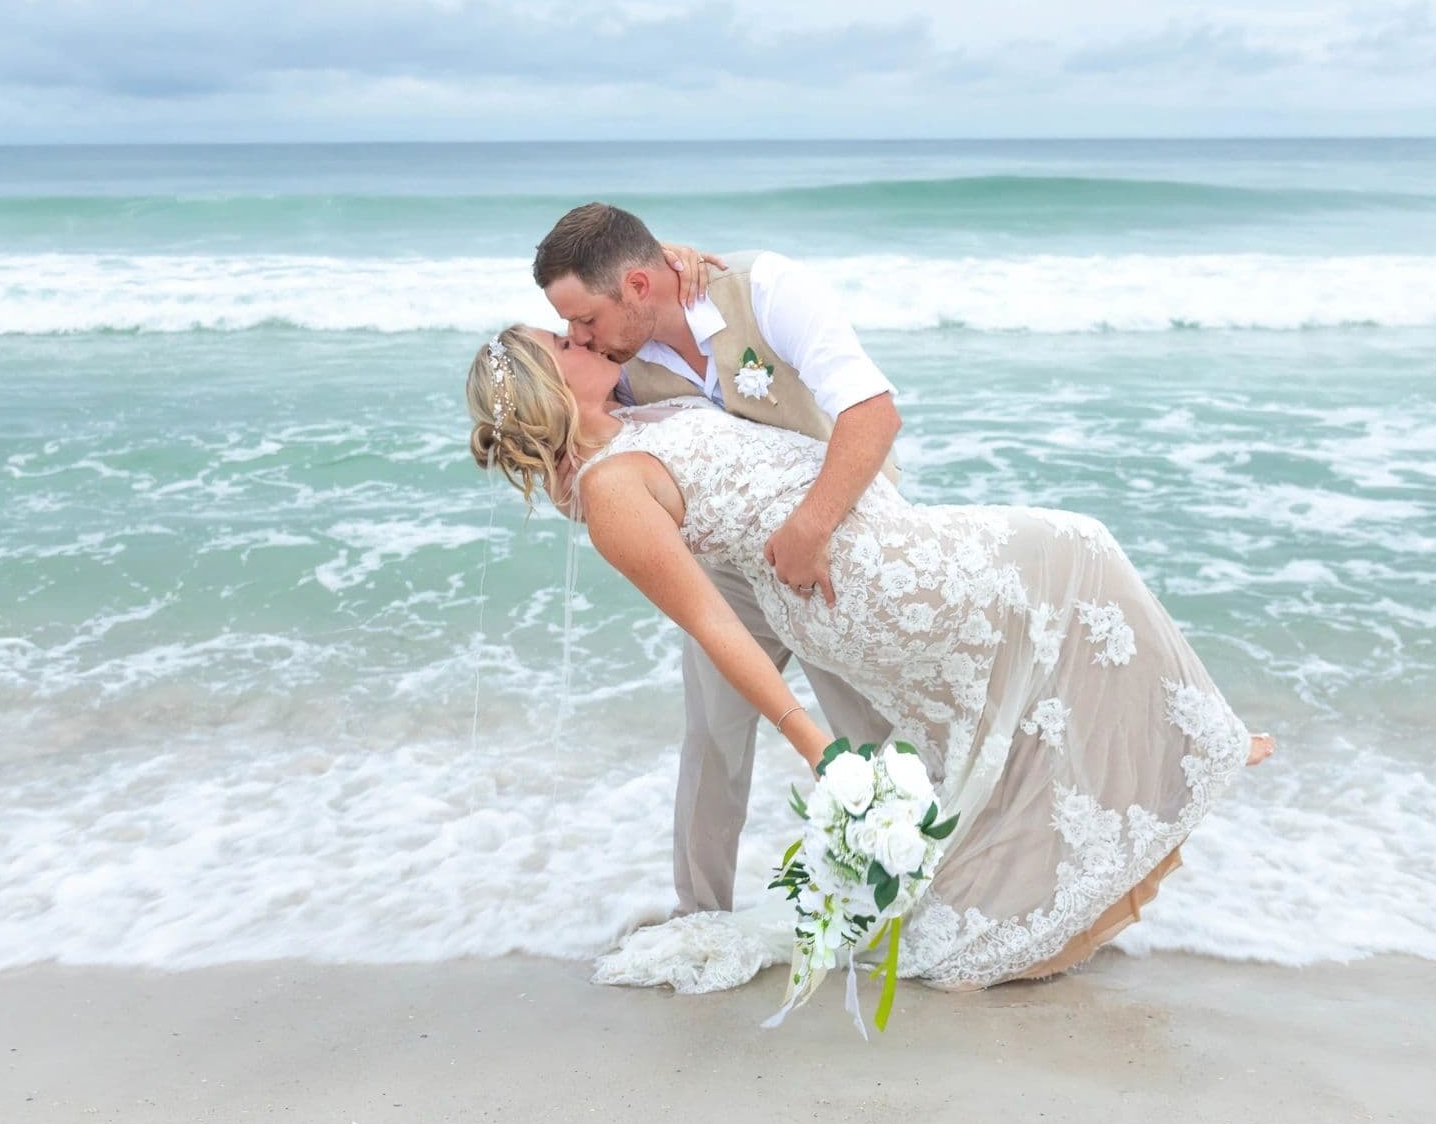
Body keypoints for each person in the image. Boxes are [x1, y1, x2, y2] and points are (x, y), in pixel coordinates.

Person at [464, 315, 1274, 992]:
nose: (583, 335)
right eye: (564, 341)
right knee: (1081, 550)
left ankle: (1057, 855)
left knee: (998, 703)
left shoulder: (631, 412)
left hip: (876, 548)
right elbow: (714, 625)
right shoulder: (609, 495)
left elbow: (673, 318)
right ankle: (1201, 739)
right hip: (866, 580)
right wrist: (811, 741)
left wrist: (686, 272)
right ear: (554, 382)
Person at [533, 202, 901, 918]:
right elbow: (570, 459)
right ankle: (700, 916)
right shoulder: (611, 366)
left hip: (835, 548)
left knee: (869, 730)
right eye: (570, 327)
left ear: (638, 286)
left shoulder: (764, 291)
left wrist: (813, 526)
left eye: (586, 320)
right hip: (730, 570)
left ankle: (893, 896)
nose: (579, 337)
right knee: (713, 741)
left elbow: (873, 413)